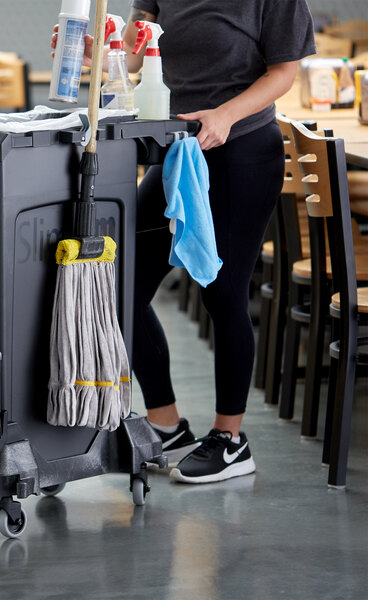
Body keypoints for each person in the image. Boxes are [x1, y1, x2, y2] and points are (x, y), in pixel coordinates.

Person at [52, 0, 316, 483]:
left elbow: (283, 73)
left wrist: (226, 115)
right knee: (118, 284)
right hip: (180, 151)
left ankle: (231, 440)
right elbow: (139, 49)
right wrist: (101, 51)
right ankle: (167, 424)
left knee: (222, 293)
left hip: (242, 150)